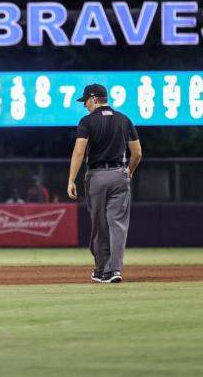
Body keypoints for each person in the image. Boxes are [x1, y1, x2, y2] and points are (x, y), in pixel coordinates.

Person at [67, 83, 142, 284]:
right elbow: (137, 153)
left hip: (97, 177)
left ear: (93, 99)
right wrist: (129, 172)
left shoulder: (87, 122)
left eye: (86, 102)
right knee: (118, 225)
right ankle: (114, 270)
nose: (85, 106)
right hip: (119, 174)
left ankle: (102, 269)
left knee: (99, 225)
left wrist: (71, 179)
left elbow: (79, 152)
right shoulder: (124, 120)